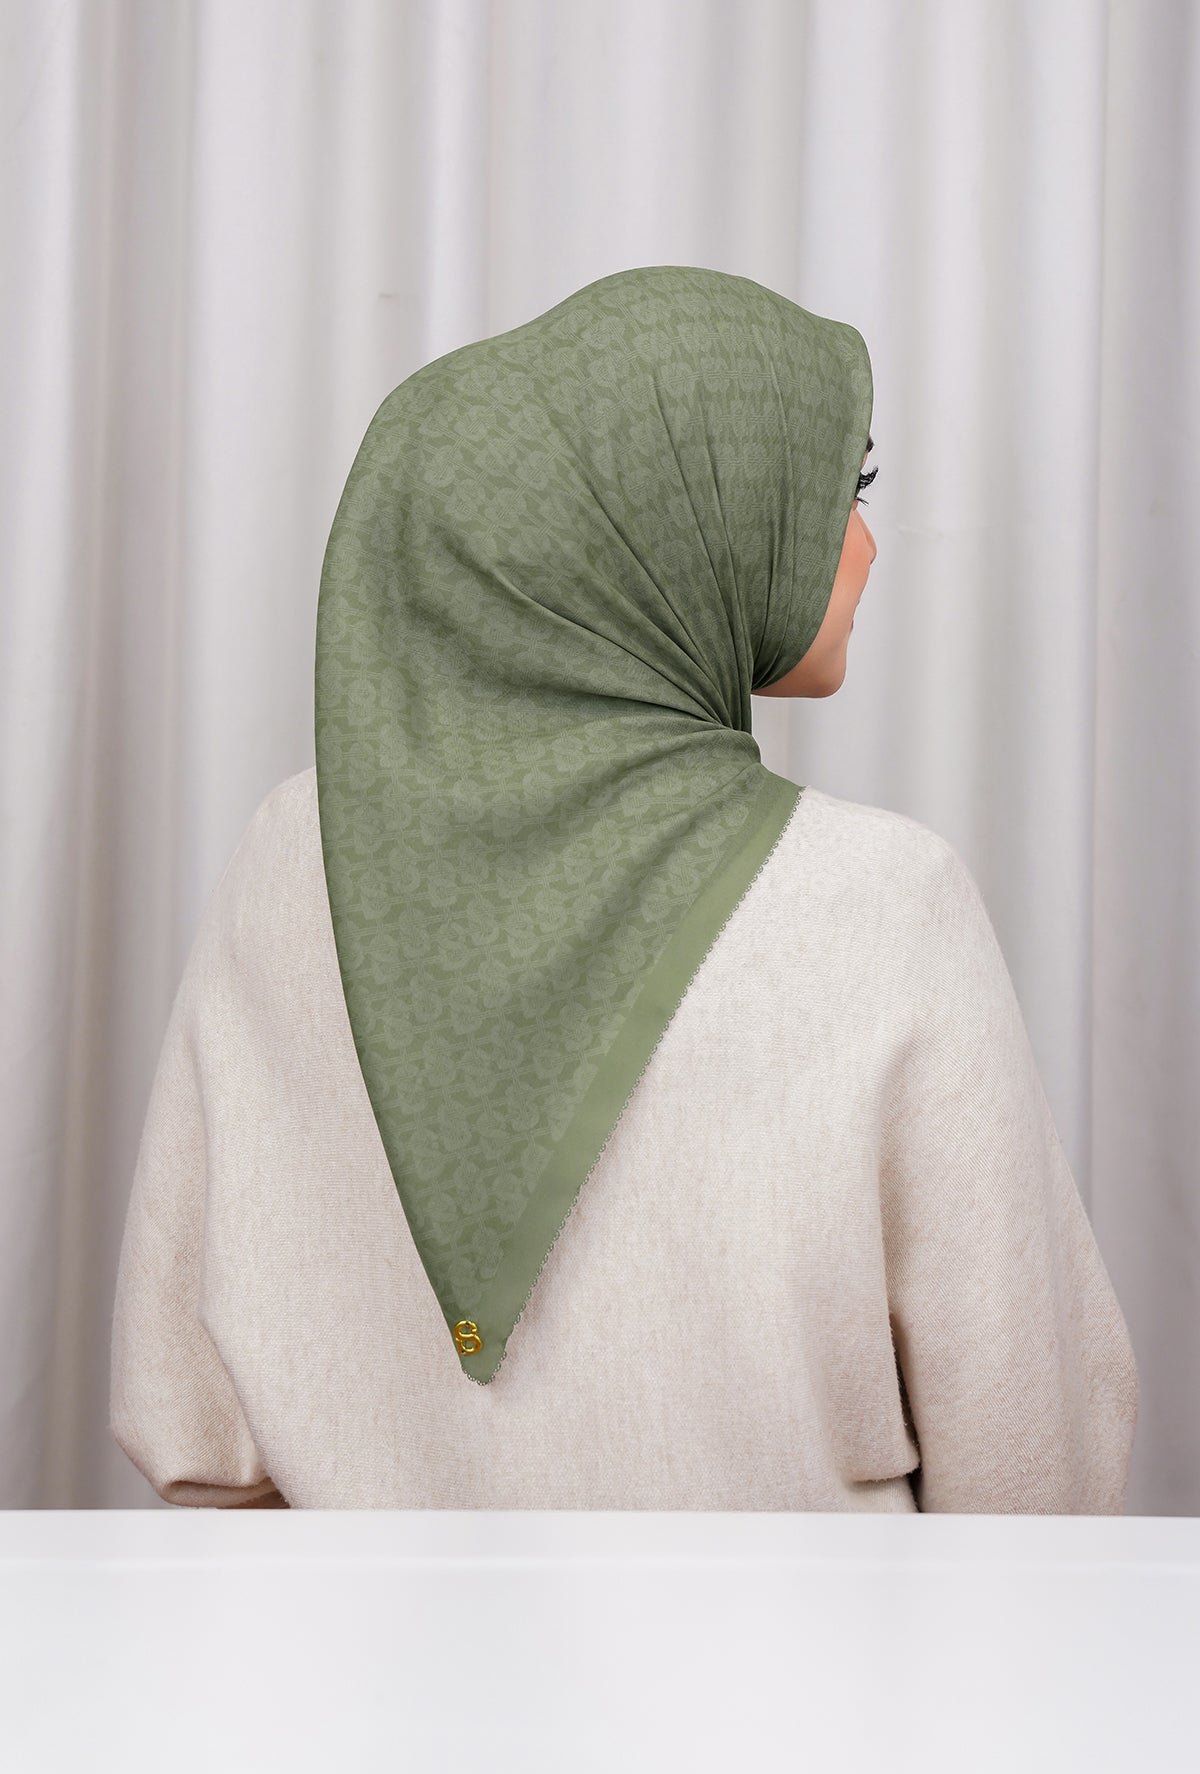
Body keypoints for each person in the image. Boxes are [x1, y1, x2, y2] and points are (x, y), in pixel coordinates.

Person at [110, 267, 1137, 1511]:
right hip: (817, 1648)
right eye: (843, 493)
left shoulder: (293, 860)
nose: (866, 545)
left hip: (362, 1641)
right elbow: (1030, 1454)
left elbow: (186, 1415)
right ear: (675, 516)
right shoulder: (881, 898)